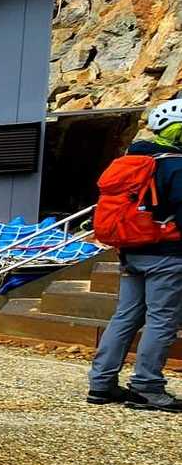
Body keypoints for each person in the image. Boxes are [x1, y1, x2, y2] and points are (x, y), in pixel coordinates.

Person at [89, 98, 182, 411]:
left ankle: (101, 383)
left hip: (131, 252)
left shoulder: (134, 160)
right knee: (162, 320)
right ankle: (147, 387)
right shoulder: (176, 166)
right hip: (167, 255)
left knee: (125, 316)